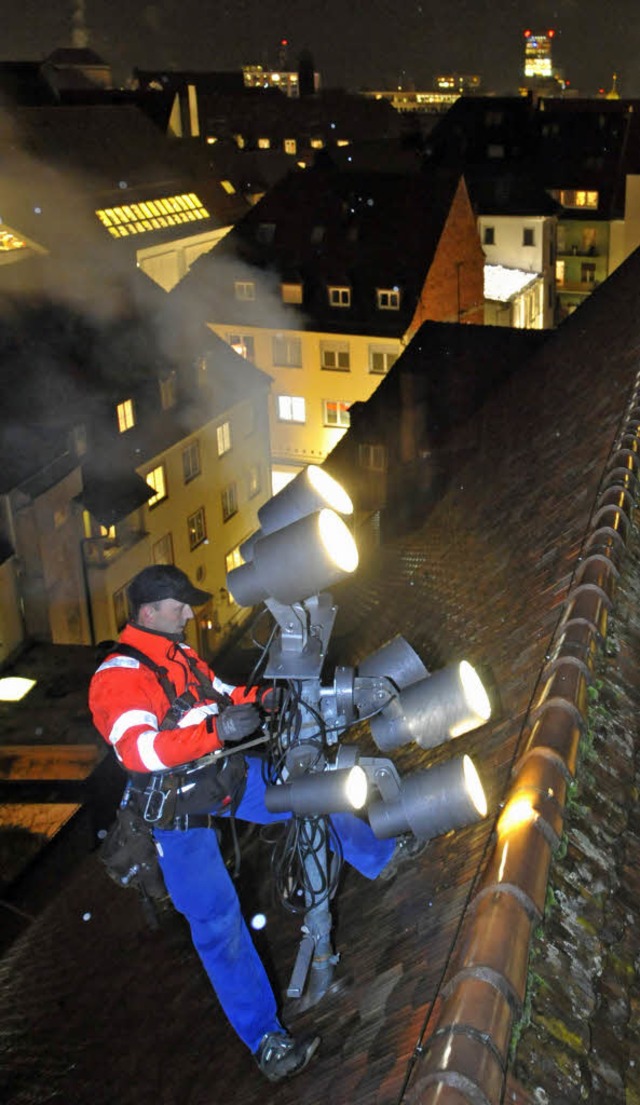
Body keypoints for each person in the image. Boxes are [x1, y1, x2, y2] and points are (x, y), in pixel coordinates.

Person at [89, 564, 404, 1083]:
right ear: (149, 612)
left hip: (221, 775)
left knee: (309, 794)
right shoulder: (117, 678)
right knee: (217, 924)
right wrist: (216, 731)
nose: (190, 613)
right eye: (179, 606)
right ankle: (266, 1041)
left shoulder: (178, 653)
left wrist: (263, 700)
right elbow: (139, 751)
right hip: (174, 811)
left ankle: (381, 856)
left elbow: (221, 693)